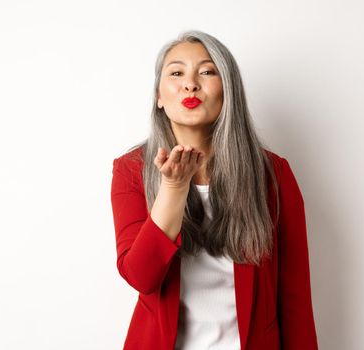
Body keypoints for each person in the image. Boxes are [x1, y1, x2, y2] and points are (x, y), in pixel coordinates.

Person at [110, 30, 318, 350]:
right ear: (159, 97)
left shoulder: (272, 174)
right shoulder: (131, 170)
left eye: (207, 72)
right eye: (176, 73)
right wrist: (174, 189)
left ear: (228, 90)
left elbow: (295, 298)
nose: (190, 84)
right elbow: (141, 276)